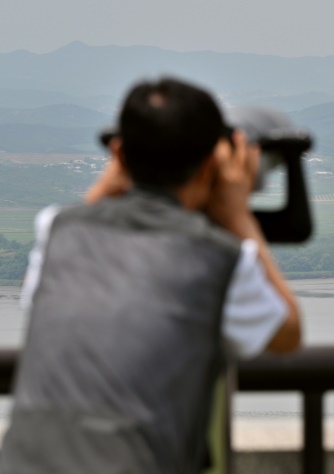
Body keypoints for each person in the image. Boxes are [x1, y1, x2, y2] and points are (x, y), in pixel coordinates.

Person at [0, 77, 301, 473]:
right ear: (213, 164)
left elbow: (41, 292)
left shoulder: (56, 230)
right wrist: (237, 216)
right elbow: (288, 332)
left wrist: (109, 182)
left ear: (118, 154)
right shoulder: (219, 258)